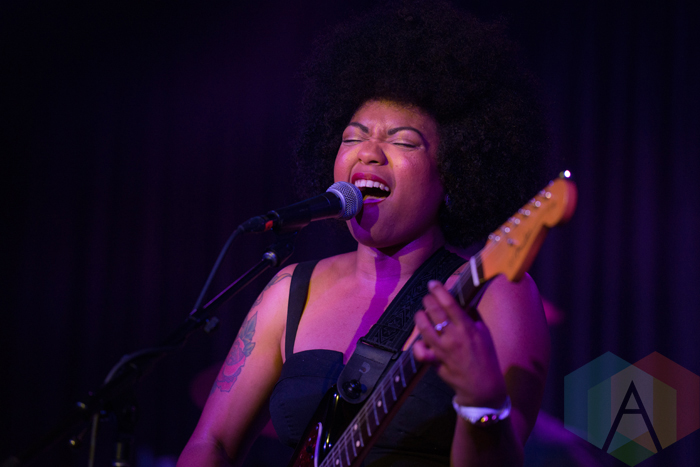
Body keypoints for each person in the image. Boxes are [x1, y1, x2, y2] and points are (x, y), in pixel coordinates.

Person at [178, 1, 550, 465]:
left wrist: (481, 402)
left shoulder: (495, 291)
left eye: (403, 140)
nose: (369, 153)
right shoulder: (291, 290)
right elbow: (211, 443)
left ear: (454, 173)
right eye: (352, 137)